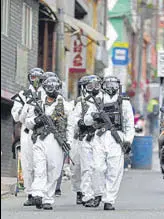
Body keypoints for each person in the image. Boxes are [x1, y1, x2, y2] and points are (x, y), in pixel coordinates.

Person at [83, 76, 135, 210]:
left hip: (116, 138)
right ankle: (98, 193)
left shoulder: (124, 102)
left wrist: (128, 140)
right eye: (108, 84)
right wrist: (95, 116)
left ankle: (109, 200)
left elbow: (129, 124)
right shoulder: (97, 100)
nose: (110, 87)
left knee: (114, 170)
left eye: (113, 85)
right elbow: (87, 120)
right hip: (99, 137)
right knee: (97, 167)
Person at [22, 76, 74, 210]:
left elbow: (70, 125)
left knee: (54, 170)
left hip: (57, 142)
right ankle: (38, 193)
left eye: (56, 87)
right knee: (39, 167)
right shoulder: (36, 103)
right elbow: (27, 122)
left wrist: (69, 141)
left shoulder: (65, 105)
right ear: (45, 88)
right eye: (50, 87)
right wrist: (36, 120)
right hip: (40, 139)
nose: (53, 90)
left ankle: (47, 199)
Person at [11, 67, 45, 206]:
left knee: (42, 163)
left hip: (43, 132)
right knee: (27, 163)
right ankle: (30, 193)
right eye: (33, 77)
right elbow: (16, 115)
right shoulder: (23, 94)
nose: (36, 81)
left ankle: (41, 193)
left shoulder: (47, 93)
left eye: (39, 78)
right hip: (27, 132)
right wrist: (27, 106)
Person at [70, 75, 103, 207]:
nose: (93, 89)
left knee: (98, 167)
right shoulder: (81, 102)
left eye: (96, 85)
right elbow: (73, 120)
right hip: (84, 137)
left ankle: (96, 194)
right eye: (90, 86)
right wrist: (80, 123)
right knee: (81, 168)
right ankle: (84, 194)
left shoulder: (103, 100)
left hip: (100, 137)